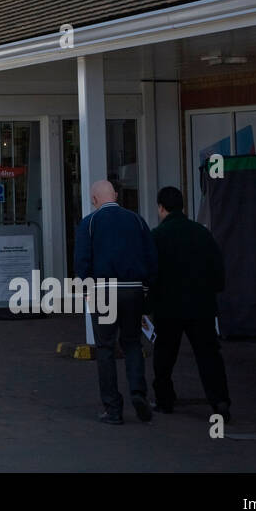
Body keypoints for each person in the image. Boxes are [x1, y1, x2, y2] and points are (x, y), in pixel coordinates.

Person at [74, 178, 157, 425]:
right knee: (132, 343)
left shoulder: (89, 223)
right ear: (116, 196)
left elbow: (82, 261)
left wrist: (87, 290)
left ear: (94, 199)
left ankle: (113, 408)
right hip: (133, 291)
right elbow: (151, 258)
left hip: (103, 291)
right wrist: (145, 288)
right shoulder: (136, 220)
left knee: (105, 347)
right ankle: (138, 393)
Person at [149, 186, 231, 421]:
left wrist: (150, 303)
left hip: (168, 308)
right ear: (182, 206)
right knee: (208, 355)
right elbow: (217, 269)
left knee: (164, 356)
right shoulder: (201, 233)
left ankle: (165, 401)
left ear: (161, 207)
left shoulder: (157, 236)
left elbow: (151, 273)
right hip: (201, 306)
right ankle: (220, 400)